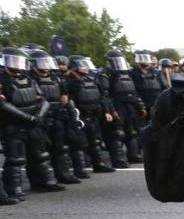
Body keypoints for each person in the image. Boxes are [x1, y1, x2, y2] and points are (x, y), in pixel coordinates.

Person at [0, 47, 65, 199]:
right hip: (13, 124)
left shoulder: (29, 78)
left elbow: (42, 99)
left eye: (19, 61)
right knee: (16, 159)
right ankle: (13, 189)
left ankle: (44, 182)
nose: (17, 65)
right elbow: (3, 105)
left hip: (33, 123)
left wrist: (39, 116)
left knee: (40, 154)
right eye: (14, 60)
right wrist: (28, 118)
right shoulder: (2, 80)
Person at [28, 49, 81, 184]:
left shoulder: (55, 77)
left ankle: (63, 175)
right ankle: (40, 181)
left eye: (46, 62)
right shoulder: (30, 79)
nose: (45, 65)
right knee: (39, 152)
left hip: (57, 116)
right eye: (42, 62)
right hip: (39, 118)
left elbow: (64, 96)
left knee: (59, 148)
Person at [67, 56, 116, 174]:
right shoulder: (70, 81)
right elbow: (69, 101)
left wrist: (106, 111)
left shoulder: (90, 79)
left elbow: (102, 97)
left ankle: (98, 164)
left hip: (93, 115)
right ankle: (80, 169)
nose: (85, 68)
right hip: (80, 116)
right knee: (79, 144)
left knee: (95, 142)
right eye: (82, 65)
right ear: (74, 66)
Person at [97, 50, 146, 165]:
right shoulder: (105, 74)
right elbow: (105, 94)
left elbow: (134, 92)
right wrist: (111, 110)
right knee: (117, 133)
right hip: (117, 105)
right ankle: (118, 159)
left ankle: (133, 155)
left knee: (132, 132)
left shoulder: (127, 74)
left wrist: (140, 106)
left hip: (130, 105)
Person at [130, 51, 163, 118]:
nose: (145, 61)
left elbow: (164, 88)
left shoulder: (157, 73)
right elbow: (133, 91)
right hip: (141, 105)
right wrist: (140, 106)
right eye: (142, 59)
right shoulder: (132, 73)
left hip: (156, 105)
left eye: (146, 58)